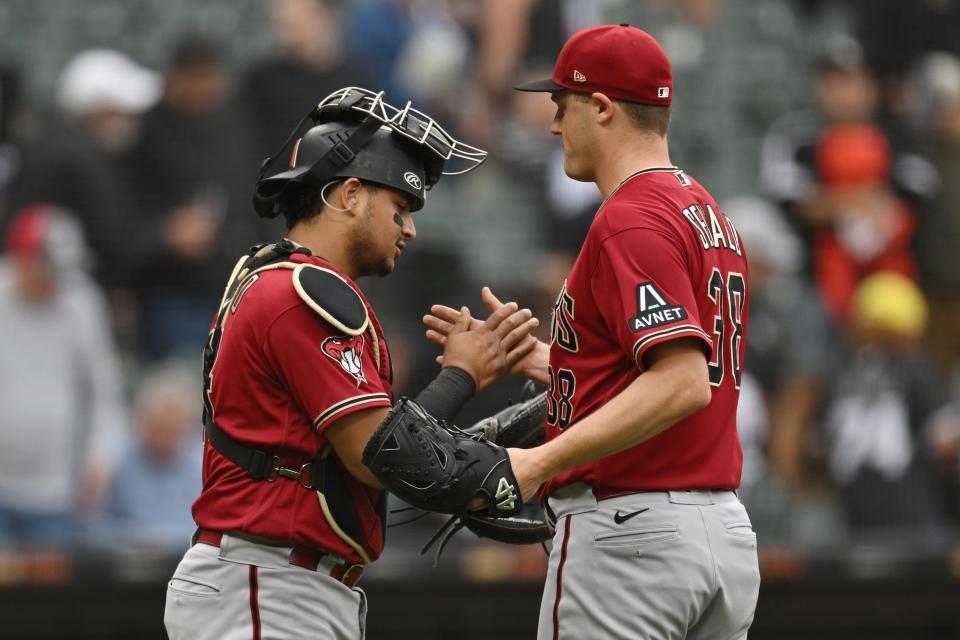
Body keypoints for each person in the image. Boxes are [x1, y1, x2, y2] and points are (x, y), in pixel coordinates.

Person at [163, 87, 539, 640]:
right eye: (401, 207)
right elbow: (380, 456)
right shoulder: (303, 292)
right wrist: (463, 376)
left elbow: (375, 451)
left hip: (284, 584)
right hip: (268, 584)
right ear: (350, 194)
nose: (409, 228)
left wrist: (462, 387)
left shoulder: (282, 280)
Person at [426, 24, 759, 639]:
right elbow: (656, 373)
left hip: (632, 537)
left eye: (561, 104)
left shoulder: (628, 217)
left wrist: (537, 462)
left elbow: (683, 382)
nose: (553, 124)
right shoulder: (704, 209)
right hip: (719, 534)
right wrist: (546, 360)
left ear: (601, 108)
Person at [0, 204, 126, 549]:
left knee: (47, 600)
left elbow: (105, 388)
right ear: (20, 258)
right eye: (46, 269)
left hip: (56, 491)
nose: (54, 280)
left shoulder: (82, 302)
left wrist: (101, 455)